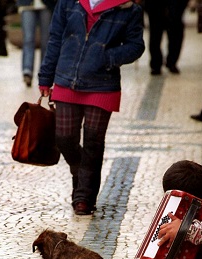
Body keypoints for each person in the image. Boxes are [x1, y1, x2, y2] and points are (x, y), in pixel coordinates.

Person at [38, 0, 145, 215]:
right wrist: (46, 76)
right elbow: (55, 39)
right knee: (64, 138)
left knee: (93, 142)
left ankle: (84, 197)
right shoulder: (67, 3)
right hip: (66, 79)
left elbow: (136, 45)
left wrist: (107, 57)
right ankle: (81, 173)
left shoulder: (128, 9)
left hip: (103, 85)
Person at [144, 0, 189, 75]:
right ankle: (156, 64)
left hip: (176, 4)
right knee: (155, 34)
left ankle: (172, 62)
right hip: (154, 4)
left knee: (175, 32)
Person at [17, 0, 55, 87]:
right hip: (26, 4)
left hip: (47, 4)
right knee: (28, 39)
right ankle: (27, 71)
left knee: (46, 41)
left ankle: (44, 72)